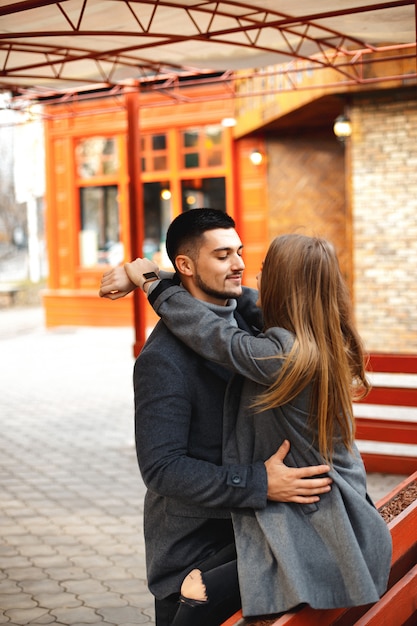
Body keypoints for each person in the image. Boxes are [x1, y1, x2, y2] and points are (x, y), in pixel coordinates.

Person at [119, 232, 392, 621]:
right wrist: (163, 273)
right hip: (337, 516)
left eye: (265, 271)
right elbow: (236, 302)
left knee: (198, 600)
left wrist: (151, 282)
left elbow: (219, 337)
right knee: (201, 592)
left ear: (282, 285)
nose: (249, 273)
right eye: (227, 256)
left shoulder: (284, 355)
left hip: (325, 530)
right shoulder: (320, 337)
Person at [99, 210, 333, 626]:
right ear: (187, 265)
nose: (240, 264)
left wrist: (151, 279)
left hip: (260, 535)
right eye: (223, 255)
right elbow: (163, 470)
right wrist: (262, 482)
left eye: (239, 252)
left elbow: (224, 317)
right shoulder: (163, 361)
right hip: (199, 556)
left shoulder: (251, 321)